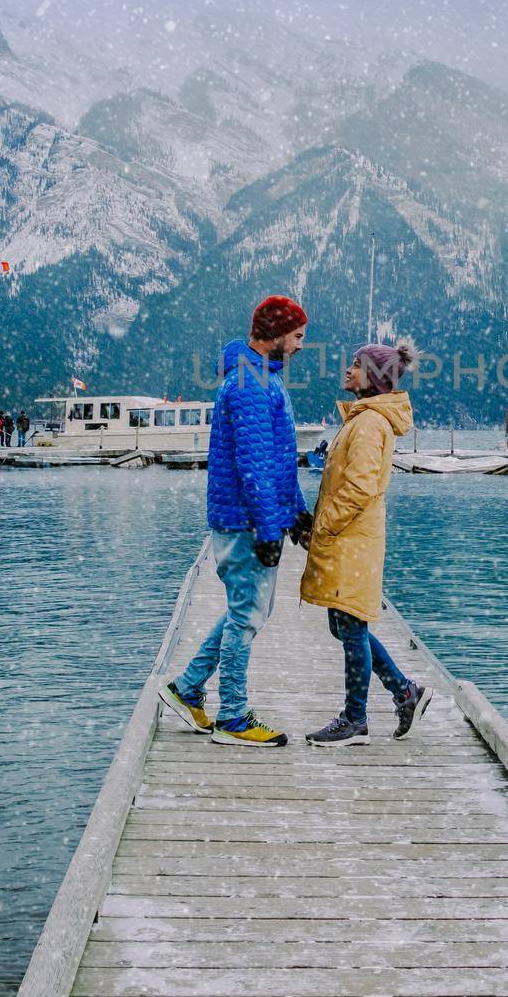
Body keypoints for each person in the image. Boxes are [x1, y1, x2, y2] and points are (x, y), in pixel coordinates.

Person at [158, 295, 312, 747]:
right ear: (277, 333)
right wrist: (268, 529)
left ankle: (187, 688)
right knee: (246, 616)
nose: (302, 346)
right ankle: (233, 718)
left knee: (246, 611)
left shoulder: (261, 377)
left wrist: (296, 512)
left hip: (250, 518)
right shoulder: (249, 383)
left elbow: (281, 460)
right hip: (243, 521)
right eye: (298, 336)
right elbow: (253, 464)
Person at [300, 339, 432, 747]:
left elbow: (359, 488)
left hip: (352, 539)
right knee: (345, 625)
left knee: (352, 626)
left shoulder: (370, 423)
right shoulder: (362, 419)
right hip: (350, 538)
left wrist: (324, 526)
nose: (348, 371)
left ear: (372, 377)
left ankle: (355, 719)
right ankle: (403, 691)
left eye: (355, 366)